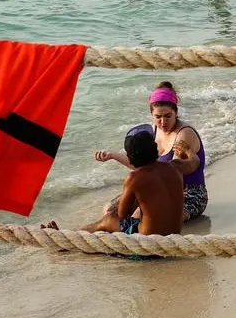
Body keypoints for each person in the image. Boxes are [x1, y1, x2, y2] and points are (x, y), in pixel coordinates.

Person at [93, 82, 209, 223]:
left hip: (188, 193)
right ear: (151, 114)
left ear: (176, 113)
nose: (163, 122)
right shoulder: (152, 130)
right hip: (157, 187)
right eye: (158, 117)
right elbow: (143, 164)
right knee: (109, 211)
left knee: (138, 218)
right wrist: (112, 155)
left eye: (168, 116)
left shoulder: (184, 134)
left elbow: (172, 174)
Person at [42, 128, 184, 236]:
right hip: (175, 236)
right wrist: (188, 153)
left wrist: (134, 199)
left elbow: (122, 215)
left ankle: (68, 237)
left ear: (130, 157)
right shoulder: (174, 166)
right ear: (155, 148)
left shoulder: (135, 178)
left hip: (149, 243)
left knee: (108, 220)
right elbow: (194, 162)